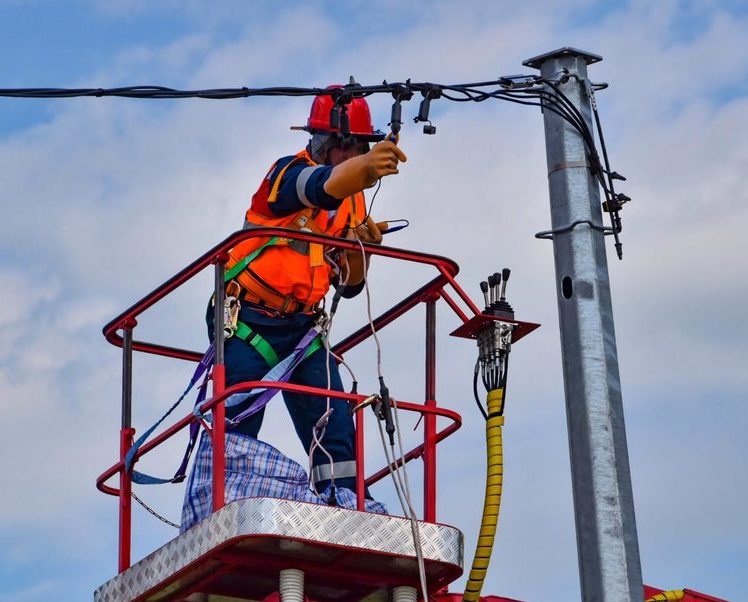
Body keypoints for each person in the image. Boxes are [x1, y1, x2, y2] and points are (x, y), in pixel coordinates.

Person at [181, 87, 407, 530]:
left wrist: (360, 250)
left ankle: (347, 510)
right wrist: (361, 169)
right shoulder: (284, 175)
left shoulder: (354, 201)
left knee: (335, 424)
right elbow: (317, 189)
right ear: (324, 142)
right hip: (249, 319)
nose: (352, 153)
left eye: (359, 147)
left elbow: (349, 287)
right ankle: (219, 511)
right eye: (347, 146)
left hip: (304, 329)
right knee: (236, 416)